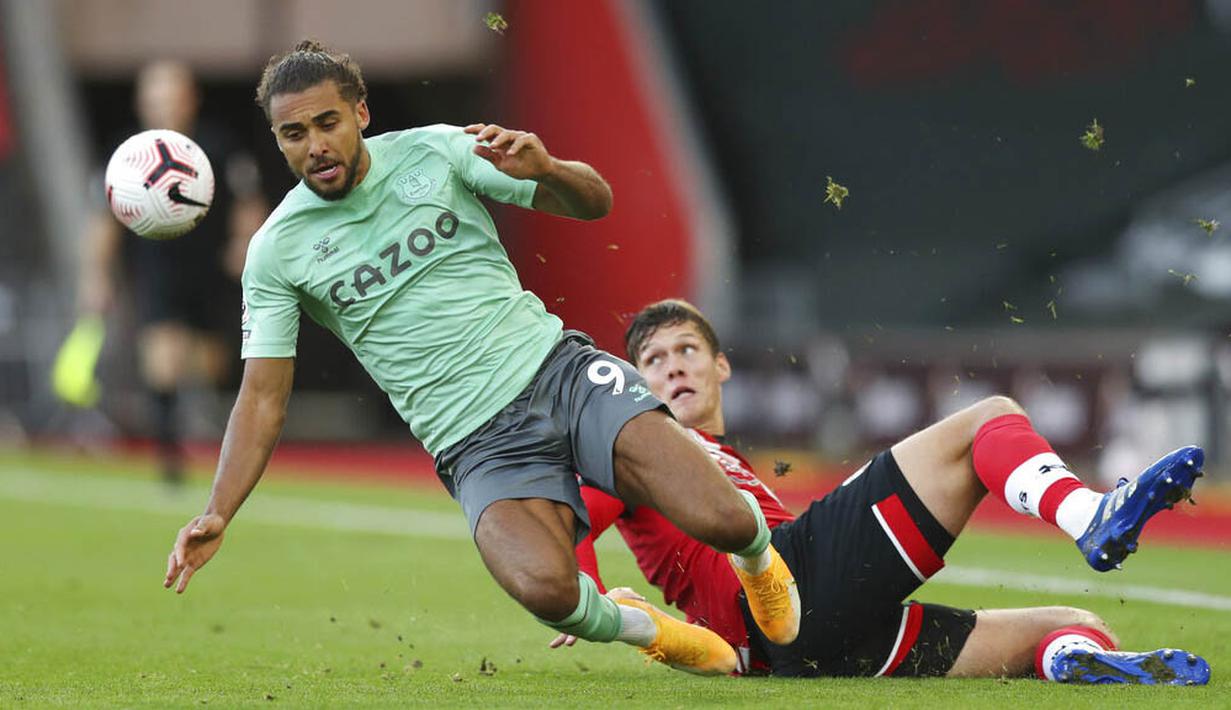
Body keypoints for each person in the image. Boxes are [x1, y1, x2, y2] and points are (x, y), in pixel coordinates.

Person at [161, 40, 801, 675]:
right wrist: (218, 509)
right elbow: (263, 396)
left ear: (360, 113)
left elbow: (596, 202)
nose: (315, 146)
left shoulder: (437, 150)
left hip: (560, 376)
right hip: (475, 444)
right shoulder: (277, 250)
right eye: (293, 133)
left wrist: (548, 170)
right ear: (278, 139)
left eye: (327, 123)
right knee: (547, 592)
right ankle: (645, 626)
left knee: (719, 518)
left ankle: (757, 562)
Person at [553, 298, 1210, 685]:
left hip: (800, 649)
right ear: (638, 385)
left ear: (720, 365)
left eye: (686, 349)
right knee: (988, 418)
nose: (673, 366)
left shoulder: (716, 458)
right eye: (654, 360)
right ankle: (1090, 515)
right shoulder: (646, 444)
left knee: (1076, 624)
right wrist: (585, 595)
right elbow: (576, 507)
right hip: (783, 586)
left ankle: (1074, 661)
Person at [79, 60, 269, 484]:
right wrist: (96, 275)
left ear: (190, 99)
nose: (163, 108)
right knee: (162, 357)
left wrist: (245, 246)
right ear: (141, 103)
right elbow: (102, 219)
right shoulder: (125, 153)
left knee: (211, 363)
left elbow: (248, 202)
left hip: (211, 270)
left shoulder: (218, 147)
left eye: (171, 99)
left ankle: (214, 433)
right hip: (155, 266)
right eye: (154, 100)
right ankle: (170, 463)